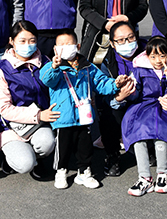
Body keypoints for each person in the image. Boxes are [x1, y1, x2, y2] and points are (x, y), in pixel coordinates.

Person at [39, 29, 128, 190]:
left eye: (69, 44)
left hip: (84, 116)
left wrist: (115, 84)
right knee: (63, 147)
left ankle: (84, 172)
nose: (66, 48)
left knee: (85, 147)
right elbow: (46, 79)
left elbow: (101, 83)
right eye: (61, 45)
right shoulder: (54, 68)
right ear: (55, 49)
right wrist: (54, 66)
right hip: (63, 117)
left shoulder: (88, 67)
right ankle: (61, 171)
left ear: (78, 46)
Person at [0, 21, 58, 176]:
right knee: (24, 164)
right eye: (22, 41)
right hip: (11, 126)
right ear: (11, 41)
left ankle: (37, 158)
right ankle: (12, 157)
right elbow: (4, 109)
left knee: (47, 143)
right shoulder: (1, 68)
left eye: (32, 40)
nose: (27, 45)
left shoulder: (46, 62)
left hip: (39, 124)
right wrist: (38, 115)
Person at [122, 36, 167, 196]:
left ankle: (163, 174)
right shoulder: (139, 70)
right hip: (143, 108)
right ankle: (144, 177)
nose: (158, 61)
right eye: (153, 56)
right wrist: (129, 89)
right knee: (138, 134)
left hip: (165, 107)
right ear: (147, 55)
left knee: (162, 133)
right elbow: (134, 94)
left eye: (162, 56)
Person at [98, 21, 146, 176]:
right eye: (120, 40)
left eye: (131, 37)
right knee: (109, 114)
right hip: (121, 104)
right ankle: (112, 155)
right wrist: (119, 97)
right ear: (112, 44)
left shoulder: (149, 53)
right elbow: (103, 96)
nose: (127, 43)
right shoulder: (107, 63)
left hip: (146, 102)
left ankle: (151, 149)